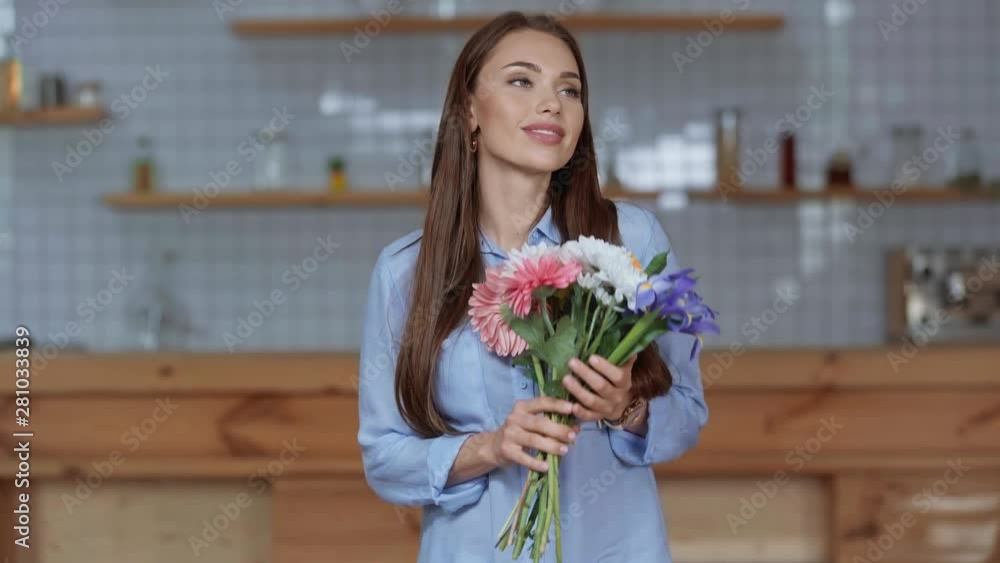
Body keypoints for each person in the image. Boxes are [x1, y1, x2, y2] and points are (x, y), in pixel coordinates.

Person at [357, 11, 708, 563]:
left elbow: (687, 413)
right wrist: (491, 447)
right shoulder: (404, 271)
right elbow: (384, 458)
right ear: (469, 111)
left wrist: (624, 408)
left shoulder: (629, 239)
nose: (553, 104)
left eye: (569, 90)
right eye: (522, 80)